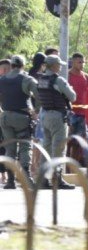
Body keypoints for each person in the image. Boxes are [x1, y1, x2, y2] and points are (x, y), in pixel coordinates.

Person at [37, 55, 77, 189]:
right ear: (54, 66)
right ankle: (58, 180)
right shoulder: (58, 80)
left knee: (46, 148)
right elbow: (73, 97)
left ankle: (42, 179)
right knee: (59, 149)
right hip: (57, 116)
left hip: (45, 115)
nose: (60, 67)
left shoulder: (41, 78)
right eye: (59, 65)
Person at [0, 56, 37, 189]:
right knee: (25, 147)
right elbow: (39, 95)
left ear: (12, 65)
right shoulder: (26, 79)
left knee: (10, 149)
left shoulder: (2, 79)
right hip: (22, 117)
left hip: (5, 118)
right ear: (23, 65)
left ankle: (10, 181)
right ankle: (26, 178)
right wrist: (36, 111)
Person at [67, 53, 88, 161]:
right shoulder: (66, 76)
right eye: (79, 62)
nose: (82, 64)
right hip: (70, 113)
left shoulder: (87, 77)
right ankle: (65, 166)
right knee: (68, 142)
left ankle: (74, 166)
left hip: (82, 114)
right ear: (73, 62)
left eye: (83, 62)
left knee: (79, 143)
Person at [0, 59, 10, 184]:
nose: (5, 71)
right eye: (3, 69)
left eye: (8, 69)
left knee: (4, 146)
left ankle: (4, 174)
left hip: (7, 118)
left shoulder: (12, 82)